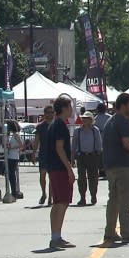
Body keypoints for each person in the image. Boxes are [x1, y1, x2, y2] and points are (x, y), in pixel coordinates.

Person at [102, 92, 129, 245]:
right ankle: (127, 232)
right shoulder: (124, 122)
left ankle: (110, 231)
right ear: (123, 105)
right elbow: (127, 144)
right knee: (125, 201)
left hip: (110, 166)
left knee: (113, 200)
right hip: (124, 166)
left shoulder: (110, 122)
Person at [46, 95, 75, 249]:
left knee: (58, 202)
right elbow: (59, 148)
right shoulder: (60, 125)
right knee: (62, 202)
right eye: (70, 107)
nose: (71, 110)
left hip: (54, 168)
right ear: (64, 108)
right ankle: (55, 238)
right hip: (59, 168)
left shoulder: (54, 124)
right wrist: (69, 169)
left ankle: (56, 235)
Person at [71, 111, 102, 206]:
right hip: (81, 156)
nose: (84, 120)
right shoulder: (77, 131)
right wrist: (72, 159)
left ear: (91, 120)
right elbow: (73, 145)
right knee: (81, 179)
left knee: (93, 178)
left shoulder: (95, 130)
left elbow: (99, 144)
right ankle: (82, 197)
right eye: (83, 118)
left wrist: (99, 157)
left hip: (93, 156)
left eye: (87, 119)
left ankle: (93, 196)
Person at [34, 105, 55, 205]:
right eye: (48, 112)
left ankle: (50, 197)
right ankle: (44, 193)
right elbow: (36, 141)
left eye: (51, 112)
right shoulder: (40, 126)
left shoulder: (56, 125)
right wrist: (33, 153)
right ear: (45, 113)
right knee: (42, 176)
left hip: (54, 155)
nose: (50, 114)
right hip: (43, 154)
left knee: (51, 177)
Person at [5, 120, 24, 199]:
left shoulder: (16, 135)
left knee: (12, 174)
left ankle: (14, 191)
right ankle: (13, 190)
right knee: (10, 174)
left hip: (13, 156)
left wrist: (12, 148)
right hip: (11, 156)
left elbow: (21, 145)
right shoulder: (11, 135)